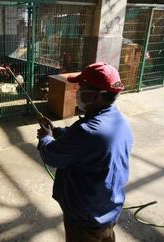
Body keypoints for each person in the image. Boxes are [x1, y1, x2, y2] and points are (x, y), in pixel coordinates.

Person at [37, 62, 133, 242]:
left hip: (85, 218)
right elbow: (87, 145)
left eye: (82, 87)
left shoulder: (87, 131)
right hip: (108, 210)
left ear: (96, 95)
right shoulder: (119, 121)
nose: (77, 91)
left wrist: (46, 137)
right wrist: (58, 132)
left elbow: (52, 155)